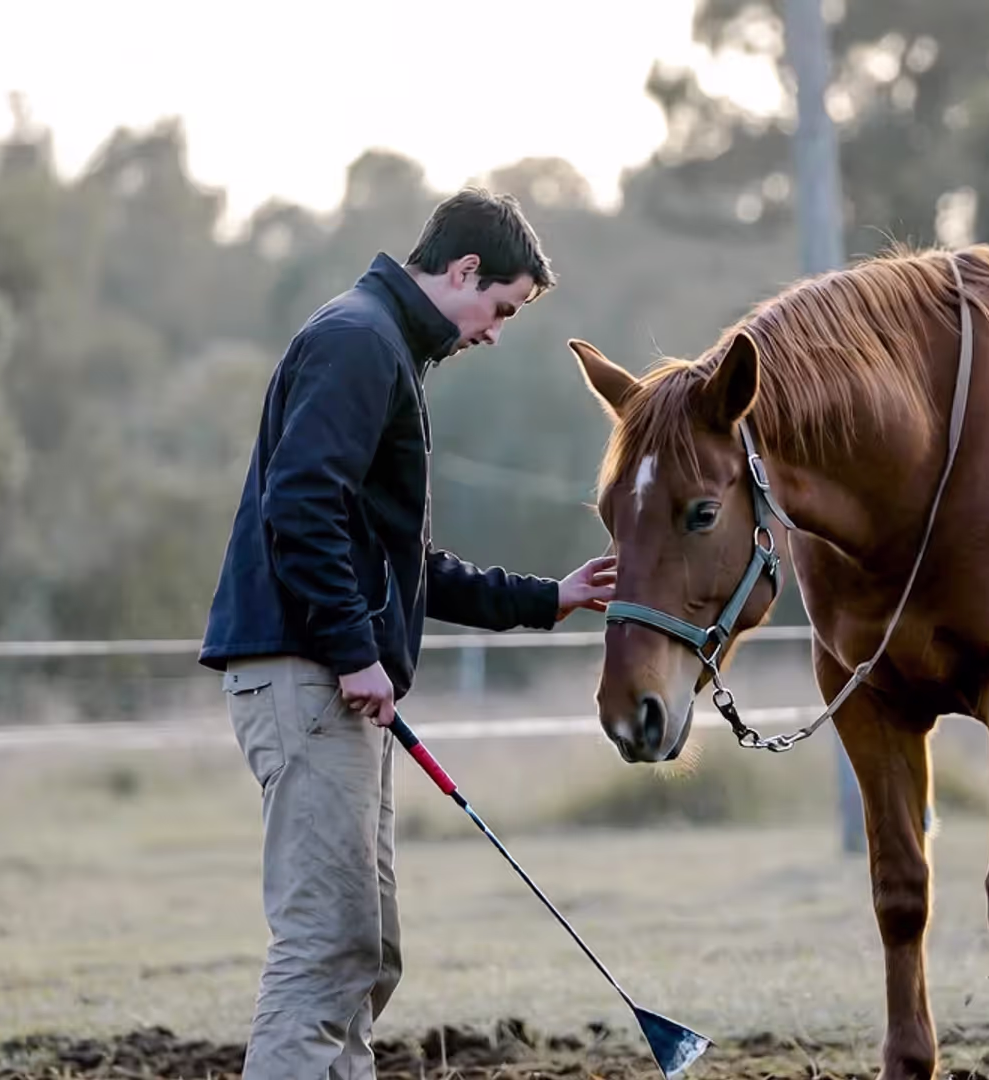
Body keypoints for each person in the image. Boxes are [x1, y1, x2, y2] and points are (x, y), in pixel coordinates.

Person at [198, 188, 616, 1080]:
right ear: (463, 271)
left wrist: (550, 599)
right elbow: (299, 506)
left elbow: (404, 562)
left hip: (329, 680)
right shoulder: (358, 341)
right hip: (308, 676)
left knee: (368, 947)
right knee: (326, 947)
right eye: (499, 308)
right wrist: (355, 651)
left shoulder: (385, 346)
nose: (496, 331)